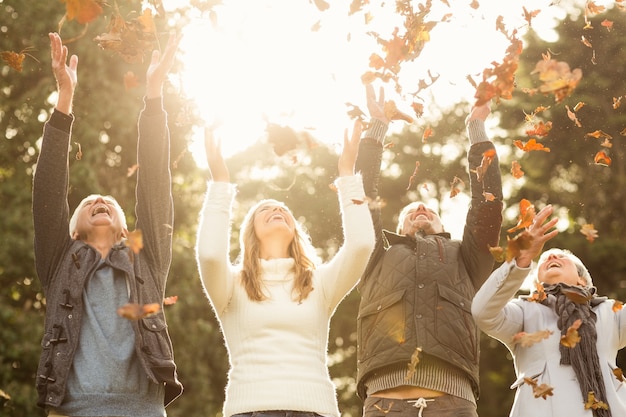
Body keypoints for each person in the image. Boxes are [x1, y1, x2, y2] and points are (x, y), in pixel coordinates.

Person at [33, 32, 183, 416]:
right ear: (72, 231)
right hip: (73, 410)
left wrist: (153, 95)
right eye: (88, 202)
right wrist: (64, 101)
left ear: (123, 229)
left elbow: (154, 184)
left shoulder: (145, 260)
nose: (99, 200)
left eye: (108, 203)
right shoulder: (59, 261)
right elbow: (49, 190)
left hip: (143, 410)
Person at [195, 119, 376, 417]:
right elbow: (210, 255)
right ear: (250, 232)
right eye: (265, 209)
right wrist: (220, 181)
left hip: (316, 410)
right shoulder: (231, 285)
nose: (277, 209)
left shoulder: (319, 284)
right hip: (250, 410)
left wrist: (347, 175)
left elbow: (361, 245)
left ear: (294, 230)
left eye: (284, 210)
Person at [354, 84, 504, 416]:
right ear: (399, 226)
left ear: (442, 225)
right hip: (383, 402)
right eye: (410, 211)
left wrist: (476, 129)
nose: (420, 207)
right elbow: (360, 196)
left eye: (429, 211)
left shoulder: (467, 256)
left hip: (454, 402)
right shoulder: (374, 254)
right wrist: (377, 127)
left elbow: (487, 206)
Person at [472, 204, 626, 417]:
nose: (551, 258)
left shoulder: (609, 312)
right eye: (543, 260)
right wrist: (522, 256)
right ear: (537, 284)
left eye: (562, 258)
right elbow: (482, 312)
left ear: (582, 279)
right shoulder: (524, 311)